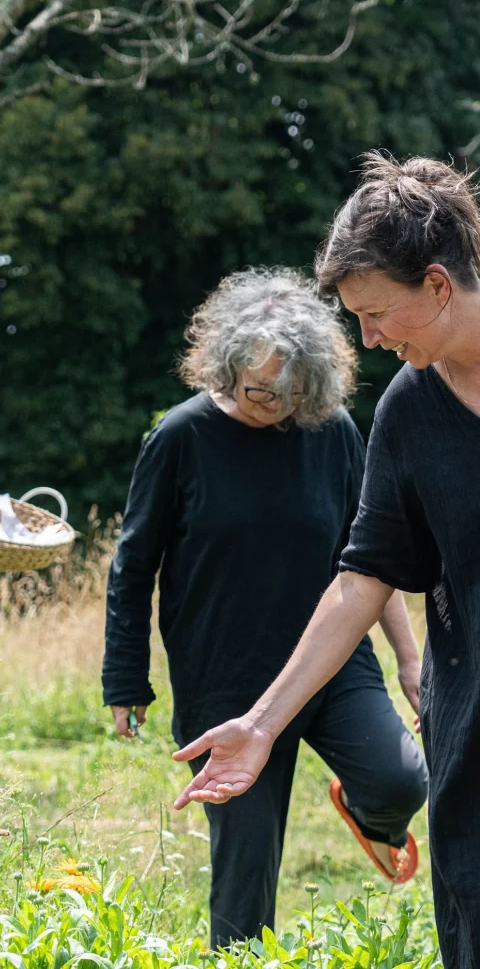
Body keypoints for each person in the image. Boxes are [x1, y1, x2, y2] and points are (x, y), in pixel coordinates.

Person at [172, 154, 480, 968]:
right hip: (471, 734)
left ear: (439, 285)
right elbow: (362, 575)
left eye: (378, 314)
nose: (369, 339)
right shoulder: (411, 411)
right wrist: (261, 726)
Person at [102, 267, 427, 946]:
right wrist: (126, 678)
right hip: (225, 681)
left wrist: (407, 659)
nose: (272, 406)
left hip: (333, 666)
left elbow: (372, 556)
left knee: (400, 783)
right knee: (244, 895)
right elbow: (133, 566)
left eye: (290, 395)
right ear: (225, 368)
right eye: (257, 392)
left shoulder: (331, 432)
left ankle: (373, 821)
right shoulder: (181, 439)